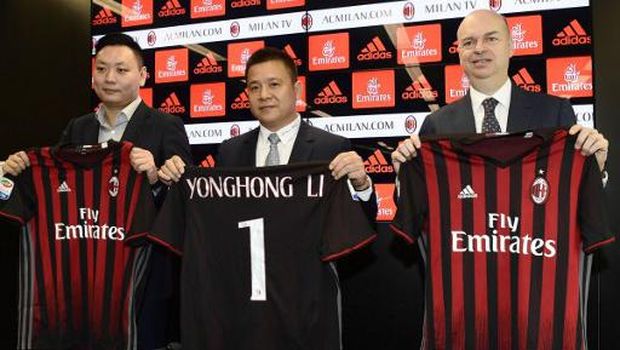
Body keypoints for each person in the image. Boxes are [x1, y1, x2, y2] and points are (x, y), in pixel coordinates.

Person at [1, 33, 191, 350]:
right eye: (101, 69)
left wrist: (157, 179)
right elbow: (56, 189)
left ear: (143, 75)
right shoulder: (78, 127)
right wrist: (11, 174)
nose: (109, 78)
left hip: (142, 276)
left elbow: (184, 200)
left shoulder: (165, 125)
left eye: (121, 69)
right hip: (85, 273)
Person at [159, 47, 377, 220]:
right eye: (254, 87)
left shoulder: (331, 148)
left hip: (307, 273)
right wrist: (176, 183)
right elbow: (215, 216)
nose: (264, 95)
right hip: (245, 271)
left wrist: (362, 185)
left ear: (297, 90)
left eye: (274, 84)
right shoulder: (230, 151)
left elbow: (361, 222)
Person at [391, 9, 609, 177]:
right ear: (459, 54)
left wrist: (594, 170)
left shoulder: (555, 112)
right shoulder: (436, 124)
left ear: (511, 47)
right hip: (466, 236)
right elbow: (421, 207)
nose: (479, 48)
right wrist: (405, 175)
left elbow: (574, 195)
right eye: (469, 42)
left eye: (491, 39)